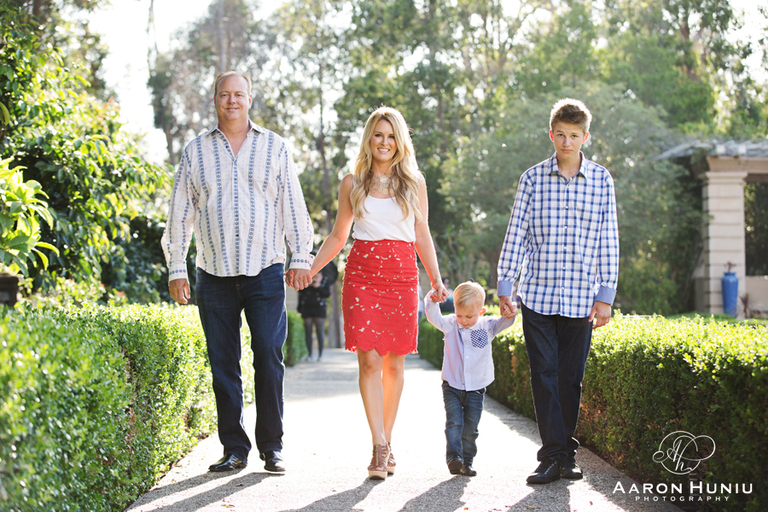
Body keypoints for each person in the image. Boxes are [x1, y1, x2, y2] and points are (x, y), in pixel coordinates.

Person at [161, 71, 314, 474]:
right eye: (224, 94)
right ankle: (234, 448)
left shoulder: (275, 147)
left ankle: (272, 446)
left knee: (267, 351)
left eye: (238, 94)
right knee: (223, 362)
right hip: (212, 273)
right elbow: (180, 212)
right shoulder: (195, 151)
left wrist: (301, 256)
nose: (231, 100)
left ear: (250, 99)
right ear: (215, 100)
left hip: (265, 269)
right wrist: (177, 267)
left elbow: (292, 205)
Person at [289, 106, 449, 480]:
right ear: (368, 139)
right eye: (378, 135)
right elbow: (339, 236)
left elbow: (422, 234)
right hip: (362, 274)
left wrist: (436, 279)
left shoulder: (415, 183)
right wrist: (308, 269)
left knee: (394, 363)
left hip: (402, 275)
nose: (384, 142)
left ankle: (386, 442)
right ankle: (378, 445)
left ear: (400, 142)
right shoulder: (352, 183)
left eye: (391, 136)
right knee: (370, 362)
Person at [496, 98, 619, 484]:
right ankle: (551, 457)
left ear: (585, 137)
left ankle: (566, 453)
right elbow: (516, 232)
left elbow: (608, 239)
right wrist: (505, 282)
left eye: (575, 136)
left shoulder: (601, 180)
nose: (567, 142)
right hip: (538, 294)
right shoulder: (532, 179)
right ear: (552, 134)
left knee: (570, 378)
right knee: (544, 374)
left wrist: (606, 294)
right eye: (561, 135)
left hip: (582, 297)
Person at [424, 281, 515, 477]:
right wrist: (431, 300)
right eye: (459, 315)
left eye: (469, 316)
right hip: (452, 385)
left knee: (471, 428)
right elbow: (434, 317)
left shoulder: (487, 326)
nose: (463, 320)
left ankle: (468, 461)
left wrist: (510, 311)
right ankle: (454, 458)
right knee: (454, 423)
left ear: (481, 312)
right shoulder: (450, 325)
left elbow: (506, 322)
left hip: (476, 388)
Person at [297, 267, 331, 361]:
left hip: (319, 309)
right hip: (307, 308)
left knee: (320, 331)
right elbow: (300, 292)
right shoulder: (306, 277)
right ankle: (310, 354)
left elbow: (327, 294)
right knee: (308, 332)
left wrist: (318, 287)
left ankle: (320, 355)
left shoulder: (325, 280)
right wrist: (308, 284)